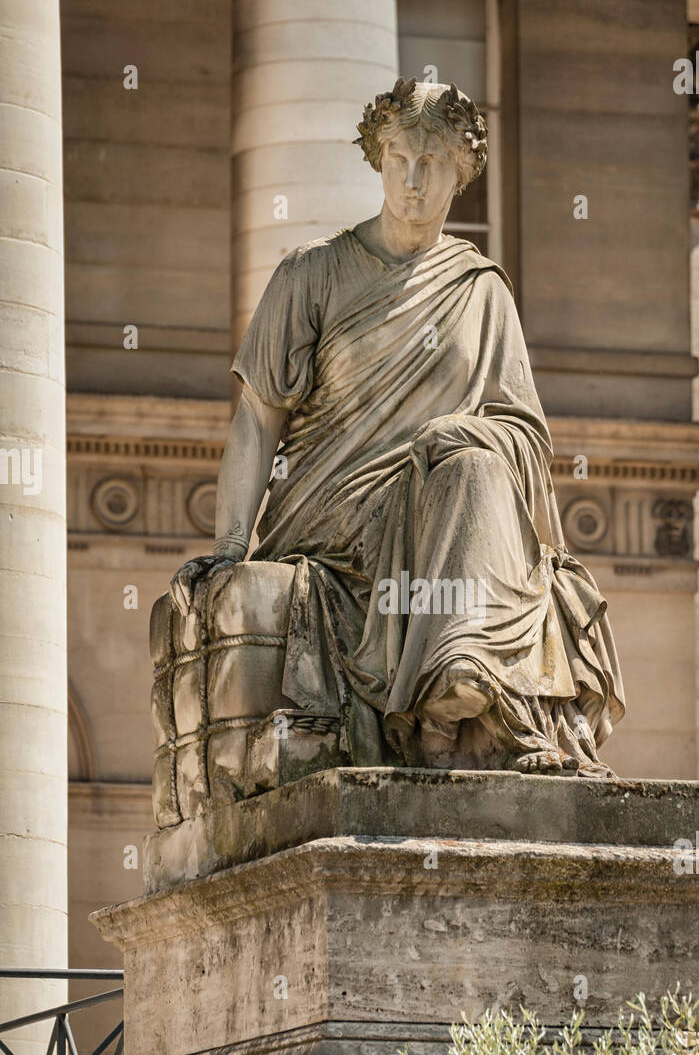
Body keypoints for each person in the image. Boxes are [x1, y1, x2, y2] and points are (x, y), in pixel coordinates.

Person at [169, 78, 624, 774]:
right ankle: (461, 703)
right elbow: (258, 418)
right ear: (376, 160)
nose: (412, 180)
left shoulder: (481, 289)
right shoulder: (311, 273)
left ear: (460, 174)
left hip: (444, 502)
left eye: (433, 162)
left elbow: (525, 434)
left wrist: (462, 434)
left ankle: (456, 692)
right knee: (465, 478)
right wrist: (231, 549)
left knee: (475, 466)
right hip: (332, 522)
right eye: (398, 159)